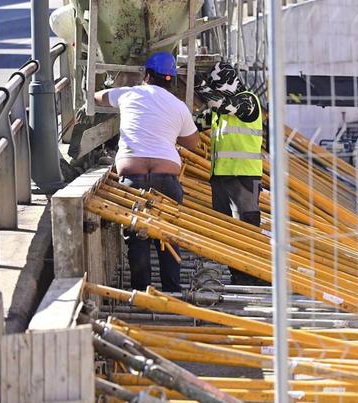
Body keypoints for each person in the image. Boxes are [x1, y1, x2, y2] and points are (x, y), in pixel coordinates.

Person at [94, 51, 199, 292]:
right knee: (169, 236)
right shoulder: (179, 106)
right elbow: (193, 143)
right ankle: (172, 291)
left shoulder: (130, 93)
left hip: (133, 177)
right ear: (171, 79)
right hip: (167, 178)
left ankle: (141, 294)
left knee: (137, 234)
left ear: (147, 75)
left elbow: (99, 97)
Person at [195, 62, 264, 285]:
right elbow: (193, 124)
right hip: (222, 178)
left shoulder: (247, 100)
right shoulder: (218, 112)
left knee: (245, 230)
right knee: (226, 231)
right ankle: (238, 274)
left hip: (243, 177)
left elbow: (222, 104)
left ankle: (254, 276)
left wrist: (199, 85)